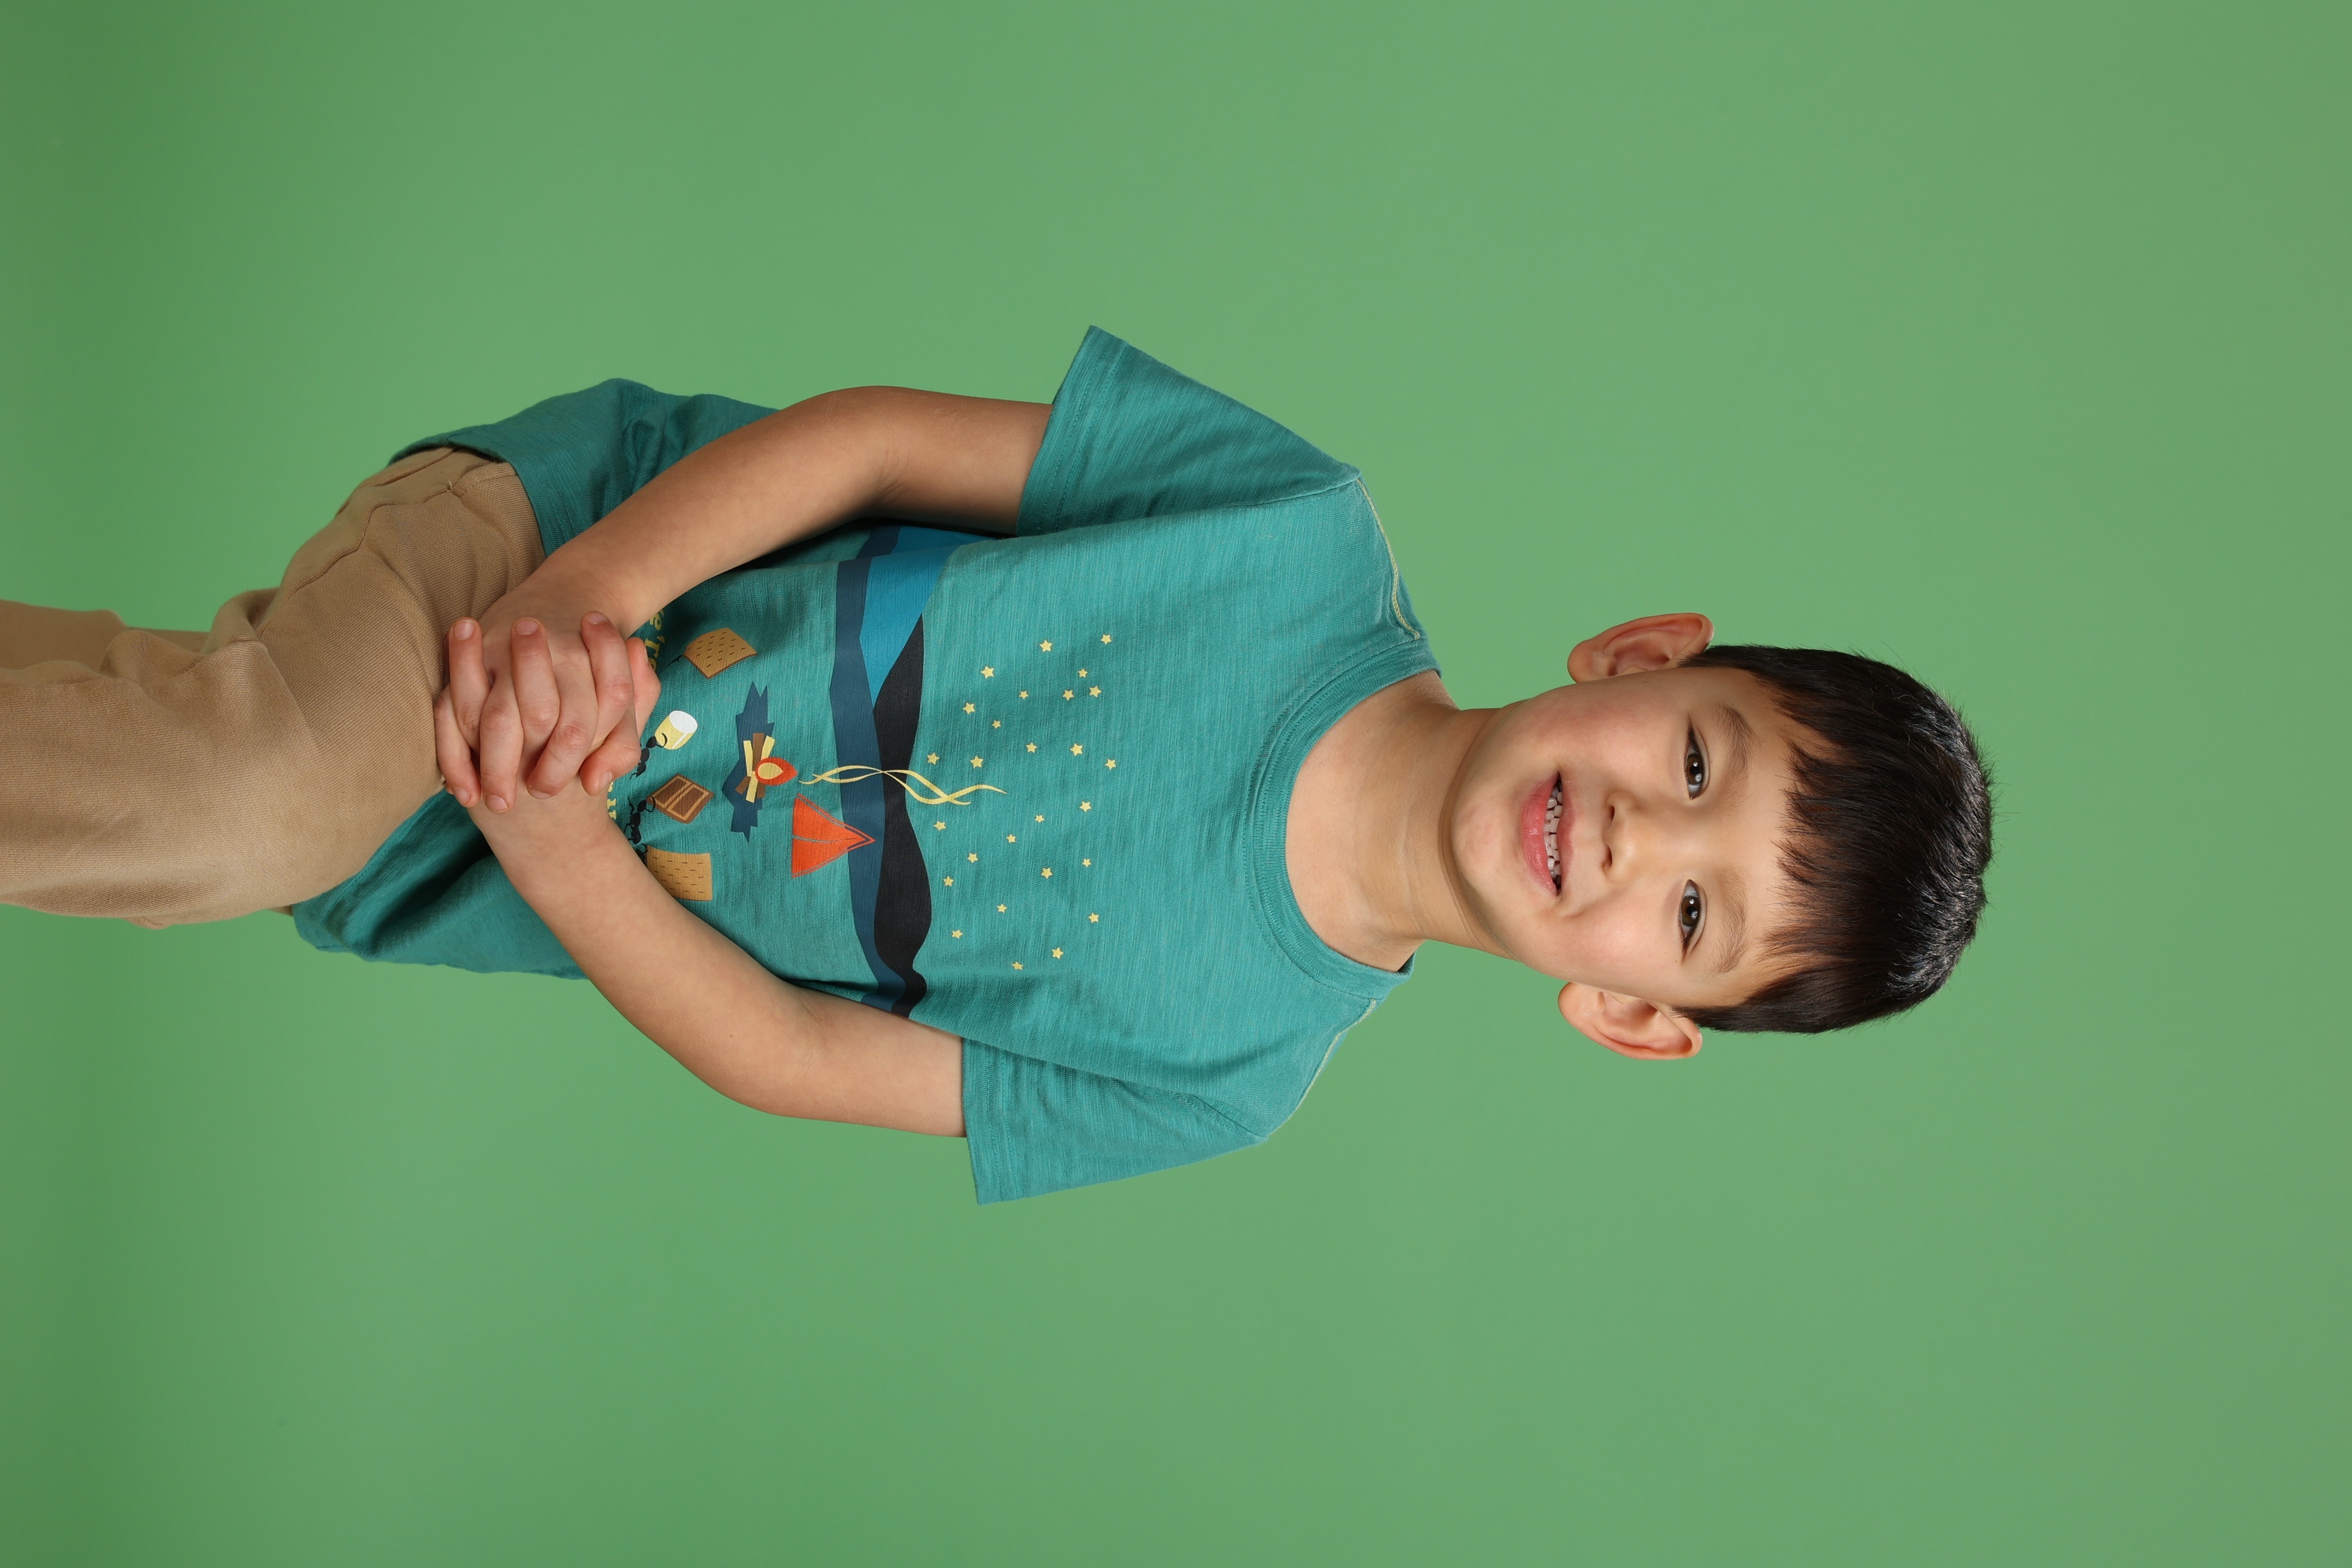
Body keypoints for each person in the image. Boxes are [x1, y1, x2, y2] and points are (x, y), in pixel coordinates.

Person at [0, 330, 1993, 1202]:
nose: (1638, 834)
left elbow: (798, 1058)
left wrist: (553, 848)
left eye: (1694, 913)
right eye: (1697, 755)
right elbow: (872, 440)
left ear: (1636, 1015)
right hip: (560, 547)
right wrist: (581, 601)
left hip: (498, 846)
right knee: (235, 798)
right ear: (1641, 655)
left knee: (175, 772)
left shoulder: (1223, 1078)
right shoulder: (1295, 537)